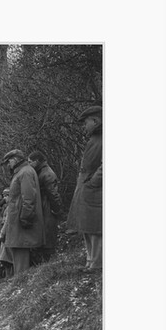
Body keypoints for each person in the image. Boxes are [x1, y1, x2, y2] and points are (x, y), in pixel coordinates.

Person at [66, 105, 103, 273]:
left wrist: (93, 182)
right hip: (87, 188)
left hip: (94, 188)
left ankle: (97, 262)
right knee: (86, 226)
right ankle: (90, 260)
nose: (84, 126)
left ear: (95, 121)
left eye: (85, 122)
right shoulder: (95, 138)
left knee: (95, 227)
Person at [1, 148, 45, 275]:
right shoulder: (22, 172)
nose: (8, 165)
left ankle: (20, 286)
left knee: (21, 265)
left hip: (21, 224)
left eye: (8, 162)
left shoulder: (25, 173)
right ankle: (20, 285)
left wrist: (25, 219)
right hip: (18, 223)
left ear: (15, 160)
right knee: (18, 260)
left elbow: (29, 198)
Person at [28, 150, 65, 265]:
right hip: (44, 206)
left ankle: (47, 264)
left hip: (47, 208)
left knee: (48, 236)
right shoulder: (41, 171)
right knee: (45, 235)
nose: (29, 165)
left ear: (37, 161)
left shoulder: (47, 173)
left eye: (30, 162)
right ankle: (44, 264)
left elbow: (53, 194)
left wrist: (57, 210)